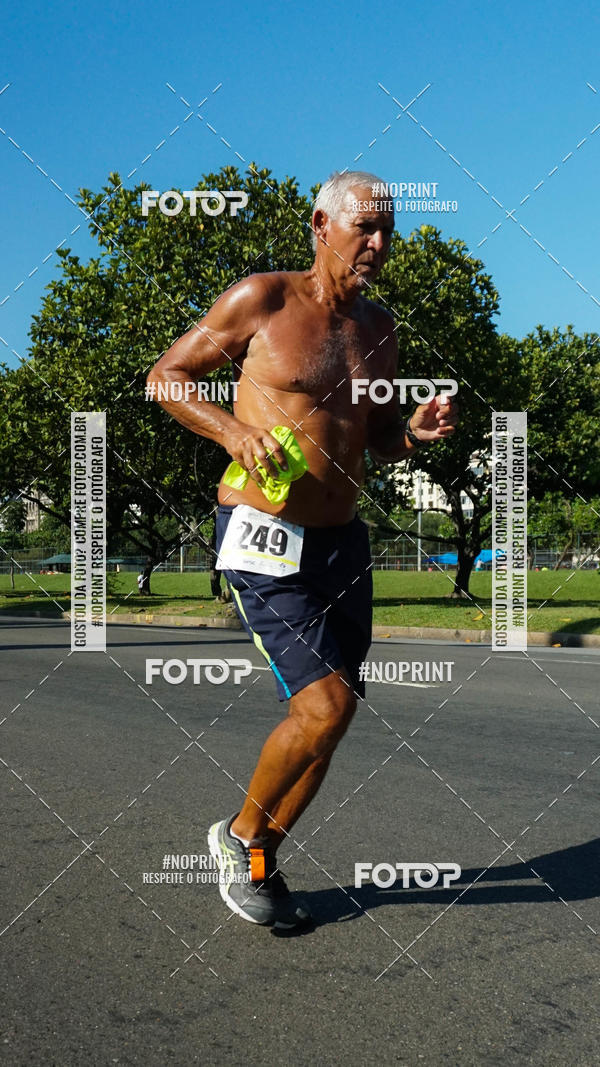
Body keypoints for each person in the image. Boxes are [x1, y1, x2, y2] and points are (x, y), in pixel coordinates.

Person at [147, 170, 459, 928]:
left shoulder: (380, 331)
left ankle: (259, 859)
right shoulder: (263, 300)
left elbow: (374, 439)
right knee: (322, 705)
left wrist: (410, 434)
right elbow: (165, 377)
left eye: (389, 232)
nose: (380, 246)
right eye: (366, 230)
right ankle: (240, 835)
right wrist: (233, 430)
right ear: (321, 225)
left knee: (336, 713)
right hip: (264, 533)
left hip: (341, 542)